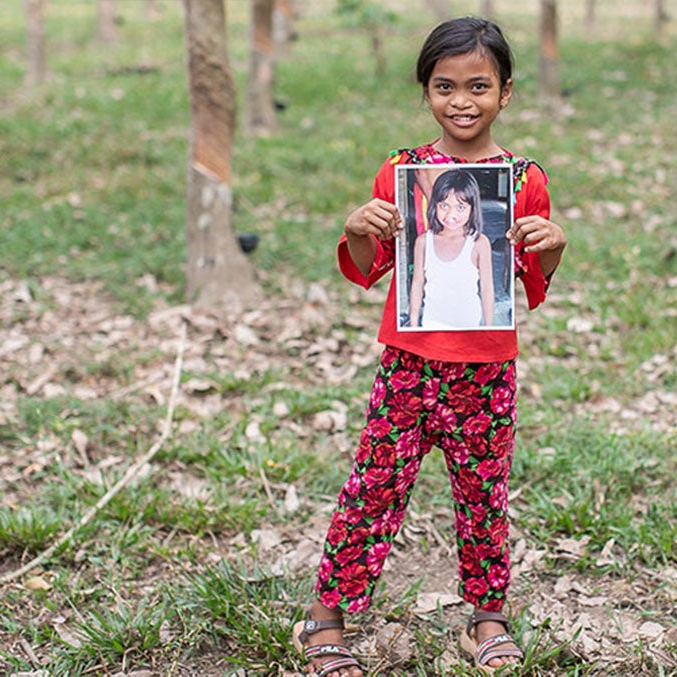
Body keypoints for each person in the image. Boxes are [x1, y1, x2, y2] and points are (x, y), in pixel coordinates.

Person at [292, 16, 566, 677]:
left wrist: (552, 250)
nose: (462, 101)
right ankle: (326, 617)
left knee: (482, 491)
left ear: (507, 92)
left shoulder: (522, 180)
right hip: (408, 367)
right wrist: (359, 226)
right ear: (425, 92)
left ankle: (487, 617)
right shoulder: (403, 173)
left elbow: (529, 281)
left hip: (487, 373)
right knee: (375, 484)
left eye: (479, 85)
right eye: (445, 86)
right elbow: (369, 266)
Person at [407, 168, 495, 329]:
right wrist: (413, 324)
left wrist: (489, 328)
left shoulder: (479, 243)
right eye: (444, 205)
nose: (451, 214)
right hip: (432, 324)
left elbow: (487, 287)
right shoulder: (423, 242)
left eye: (460, 207)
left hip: (469, 326)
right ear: (435, 205)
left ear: (472, 208)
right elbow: (417, 283)